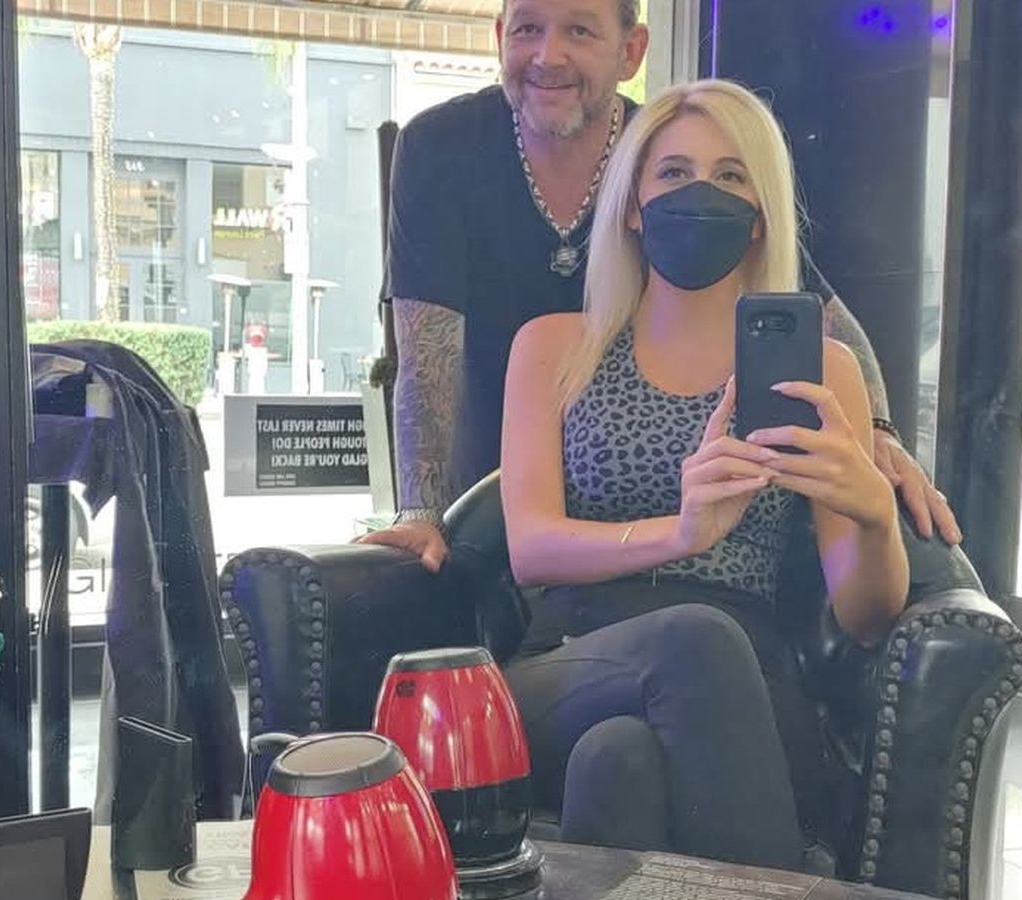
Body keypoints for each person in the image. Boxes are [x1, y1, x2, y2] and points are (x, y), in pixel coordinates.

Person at [361, 0, 959, 573]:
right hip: (503, 476)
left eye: (579, 31)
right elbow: (426, 352)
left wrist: (878, 437)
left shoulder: (672, 148)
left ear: (632, 50)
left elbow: (821, 314)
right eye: (527, 29)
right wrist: (421, 511)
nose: (548, 55)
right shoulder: (442, 147)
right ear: (499, 38)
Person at [497, 77, 908, 869]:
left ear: (759, 215)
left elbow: (865, 620)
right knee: (689, 640)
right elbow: (532, 548)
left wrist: (874, 518)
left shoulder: (825, 369)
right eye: (675, 173)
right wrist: (680, 535)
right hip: (569, 657)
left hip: (741, 681)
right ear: (632, 204)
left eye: (729, 176)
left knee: (617, 761)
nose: (700, 194)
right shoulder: (554, 346)